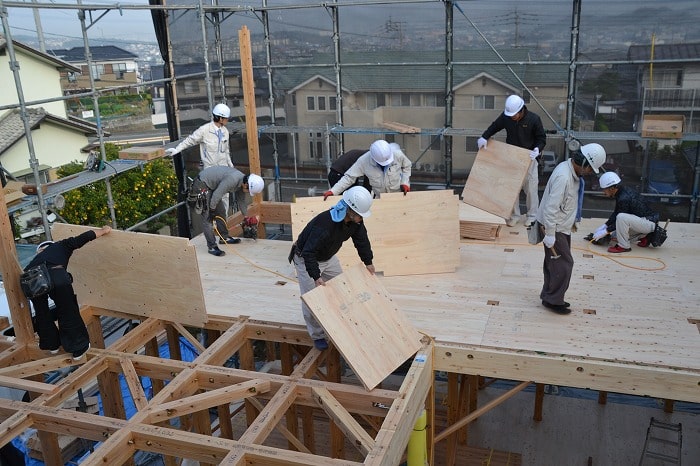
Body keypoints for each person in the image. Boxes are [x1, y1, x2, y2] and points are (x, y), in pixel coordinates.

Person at [291, 186, 375, 350]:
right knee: (311, 299)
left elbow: (361, 240)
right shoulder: (325, 225)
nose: (361, 219)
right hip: (305, 258)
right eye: (360, 215)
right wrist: (316, 276)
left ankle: (341, 322)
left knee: (341, 288)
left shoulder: (355, 222)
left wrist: (368, 262)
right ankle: (317, 335)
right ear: (350, 211)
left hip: (328, 258)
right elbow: (309, 252)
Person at [535, 143, 606, 315]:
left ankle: (549, 296)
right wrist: (550, 234)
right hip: (555, 227)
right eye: (590, 169)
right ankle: (553, 300)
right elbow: (551, 208)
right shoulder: (563, 177)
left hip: (561, 226)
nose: (590, 173)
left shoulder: (571, 173)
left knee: (554, 263)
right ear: (583, 164)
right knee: (565, 264)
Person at [25, 225, 112, 359]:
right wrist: (104, 230)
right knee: (67, 309)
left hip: (32, 281)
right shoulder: (61, 245)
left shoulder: (35, 260)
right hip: (56, 276)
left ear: (40, 250)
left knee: (42, 313)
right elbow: (84, 237)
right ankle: (78, 347)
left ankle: (51, 345)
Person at [478, 95, 547, 226]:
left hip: (529, 158)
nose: (512, 117)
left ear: (521, 110)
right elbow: (494, 126)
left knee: (531, 189)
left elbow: (541, 138)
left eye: (514, 114)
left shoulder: (534, 119)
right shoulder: (506, 117)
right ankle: (514, 215)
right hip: (512, 157)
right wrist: (484, 137)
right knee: (511, 188)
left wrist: (538, 148)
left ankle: (532, 216)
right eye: (510, 115)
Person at [166, 103, 235, 214]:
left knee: (225, 196)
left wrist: (231, 166)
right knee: (211, 198)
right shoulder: (204, 130)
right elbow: (190, 140)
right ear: (220, 118)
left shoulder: (225, 132)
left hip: (223, 170)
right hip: (210, 172)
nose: (227, 120)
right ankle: (212, 223)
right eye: (226, 118)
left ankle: (223, 221)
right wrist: (177, 149)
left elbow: (226, 151)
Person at [192, 166, 264, 256]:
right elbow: (217, 194)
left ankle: (224, 237)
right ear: (246, 184)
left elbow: (241, 200)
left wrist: (246, 217)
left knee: (221, 211)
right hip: (202, 184)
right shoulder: (232, 180)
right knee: (208, 218)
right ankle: (212, 246)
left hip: (212, 187)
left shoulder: (242, 182)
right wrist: (212, 209)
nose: (248, 192)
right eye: (248, 190)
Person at [591, 172, 659, 253]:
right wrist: (605, 225)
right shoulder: (621, 192)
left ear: (611, 188)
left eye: (604, 189)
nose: (603, 192)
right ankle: (645, 237)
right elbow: (616, 212)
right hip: (643, 221)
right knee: (615, 235)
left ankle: (624, 246)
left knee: (621, 217)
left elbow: (619, 218)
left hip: (649, 223)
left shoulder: (624, 198)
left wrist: (605, 231)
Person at [323, 140, 412, 199]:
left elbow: (407, 166)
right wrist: (333, 191)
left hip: (398, 195)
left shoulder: (397, 154)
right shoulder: (364, 161)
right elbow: (349, 178)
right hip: (380, 197)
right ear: (373, 158)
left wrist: (405, 182)